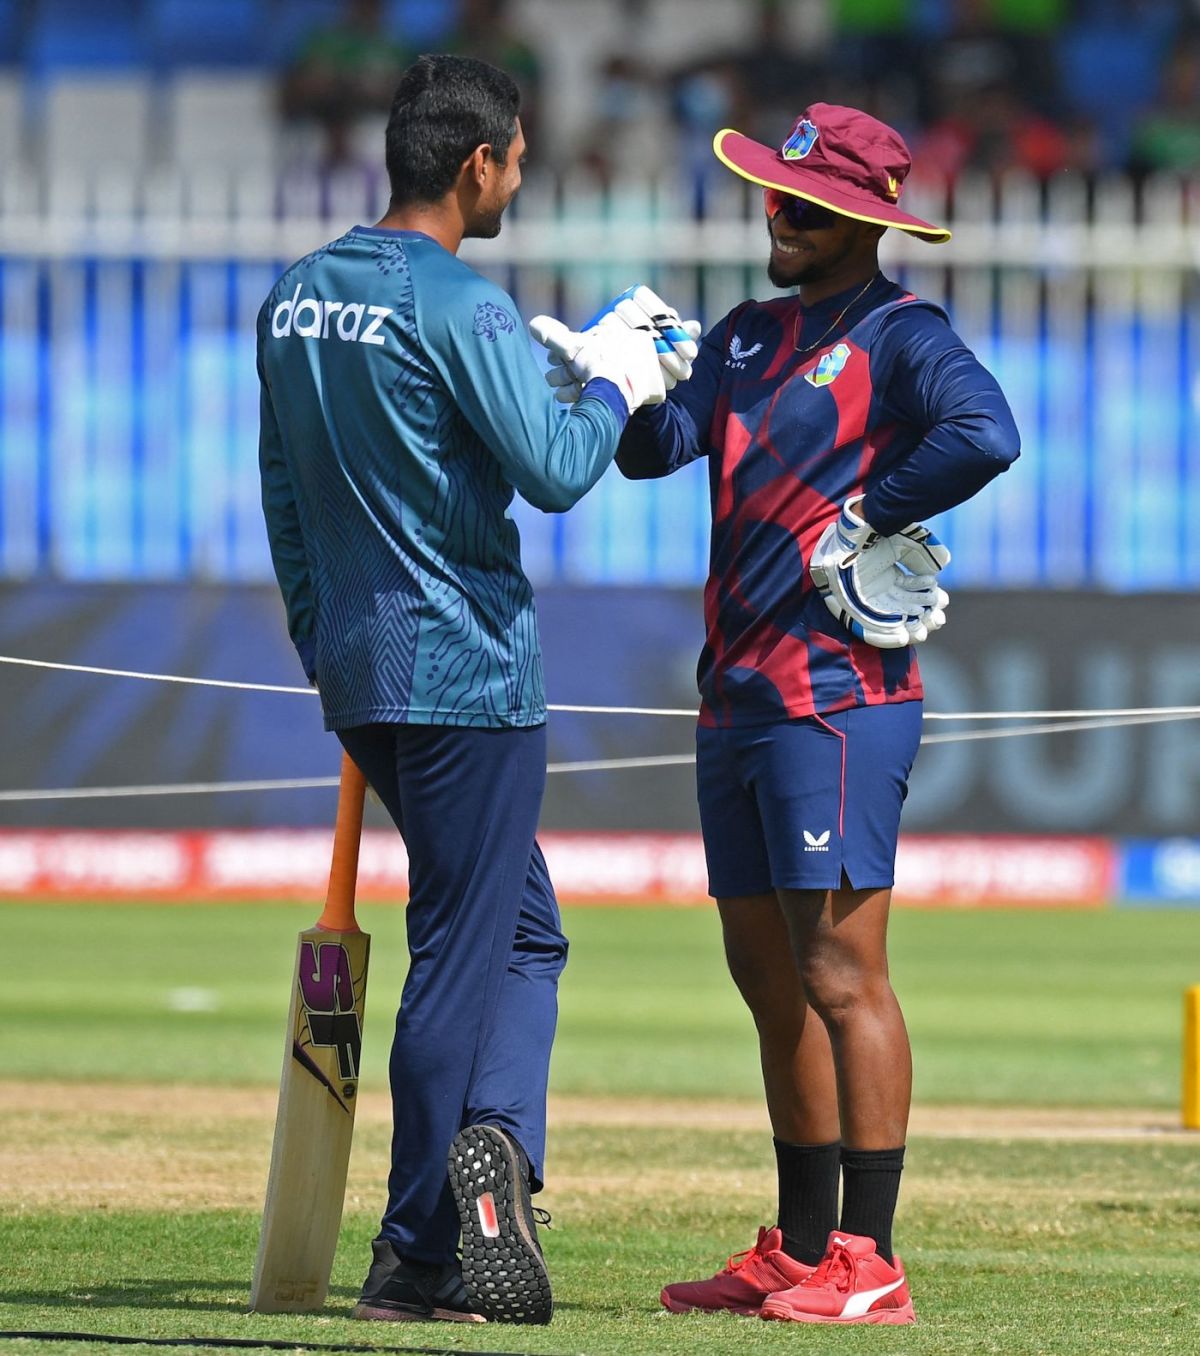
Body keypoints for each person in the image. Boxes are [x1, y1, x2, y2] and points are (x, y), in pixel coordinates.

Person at [537, 102, 1020, 1324]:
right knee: (768, 980)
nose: (779, 216)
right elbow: (656, 453)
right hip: (740, 692)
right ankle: (804, 1248)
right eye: (772, 196)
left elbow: (988, 433)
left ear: (864, 223)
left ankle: (874, 1259)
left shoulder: (903, 335)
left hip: (841, 696)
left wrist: (874, 515)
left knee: (842, 972)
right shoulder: (750, 336)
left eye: (805, 206)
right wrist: (616, 380)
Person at [257, 54, 670, 1326]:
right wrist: (616, 381)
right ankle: (422, 1243)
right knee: (460, 950)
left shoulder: (295, 296)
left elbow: (282, 494)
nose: (522, 177)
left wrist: (324, 642)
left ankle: (494, 1162)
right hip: (472, 676)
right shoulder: (460, 304)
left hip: (362, 671)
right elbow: (552, 470)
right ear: (477, 163)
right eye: (518, 158)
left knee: (520, 931)